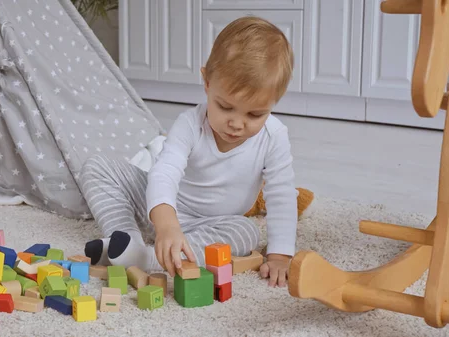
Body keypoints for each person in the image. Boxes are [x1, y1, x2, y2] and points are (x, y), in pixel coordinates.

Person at [81, 16, 297, 287]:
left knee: (246, 232)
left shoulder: (274, 136)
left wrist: (279, 256)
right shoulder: (190, 124)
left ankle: (143, 258)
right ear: (207, 82)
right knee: (97, 166)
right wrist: (166, 223)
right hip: (162, 207)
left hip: (213, 224)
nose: (237, 124)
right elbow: (164, 172)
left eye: (255, 114)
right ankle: (124, 240)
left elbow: (282, 195)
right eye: (225, 107)